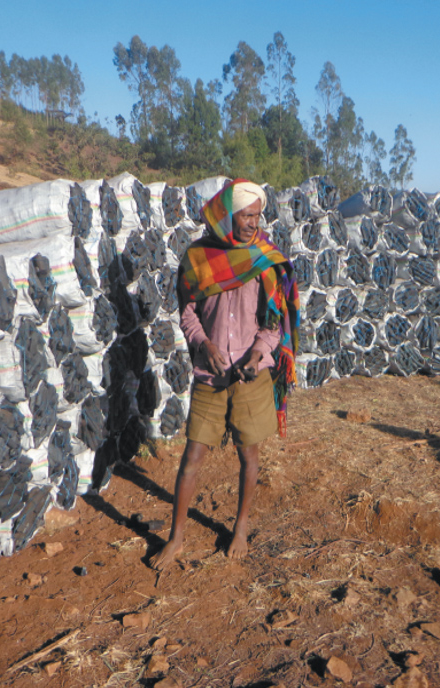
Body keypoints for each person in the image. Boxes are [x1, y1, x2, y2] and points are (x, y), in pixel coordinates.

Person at [148, 179, 299, 571]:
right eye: (246, 215)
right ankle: (177, 537)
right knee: (192, 456)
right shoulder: (199, 258)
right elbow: (187, 312)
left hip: (250, 376)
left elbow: (273, 323)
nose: (253, 223)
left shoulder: (265, 260)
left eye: (257, 215)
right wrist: (203, 345)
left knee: (249, 456)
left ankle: (242, 526)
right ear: (227, 216)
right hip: (210, 375)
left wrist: (257, 353)